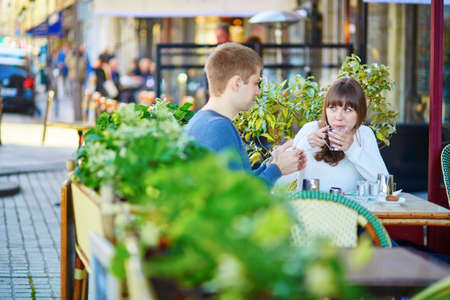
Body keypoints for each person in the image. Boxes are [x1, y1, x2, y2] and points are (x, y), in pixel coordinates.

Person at [185, 43, 306, 188]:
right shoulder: (219, 127)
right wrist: (277, 169)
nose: (258, 92)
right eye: (256, 83)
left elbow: (239, 180)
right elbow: (240, 197)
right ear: (236, 83)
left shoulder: (201, 121)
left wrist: (271, 164)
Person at [278, 77, 388, 193]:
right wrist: (304, 146)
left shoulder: (364, 134)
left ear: (359, 113)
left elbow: (383, 185)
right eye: (332, 108)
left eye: (348, 110)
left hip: (352, 209)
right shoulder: (311, 130)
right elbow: (281, 181)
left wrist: (352, 149)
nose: (338, 117)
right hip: (311, 208)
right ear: (325, 110)